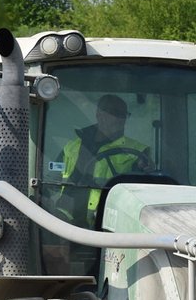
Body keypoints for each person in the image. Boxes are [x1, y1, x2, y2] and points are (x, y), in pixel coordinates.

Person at [57, 94, 152, 225]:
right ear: (99, 115)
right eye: (115, 113)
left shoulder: (139, 151)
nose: (120, 119)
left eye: (123, 115)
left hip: (108, 222)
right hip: (65, 221)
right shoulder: (72, 146)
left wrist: (147, 171)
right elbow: (52, 179)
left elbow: (141, 188)